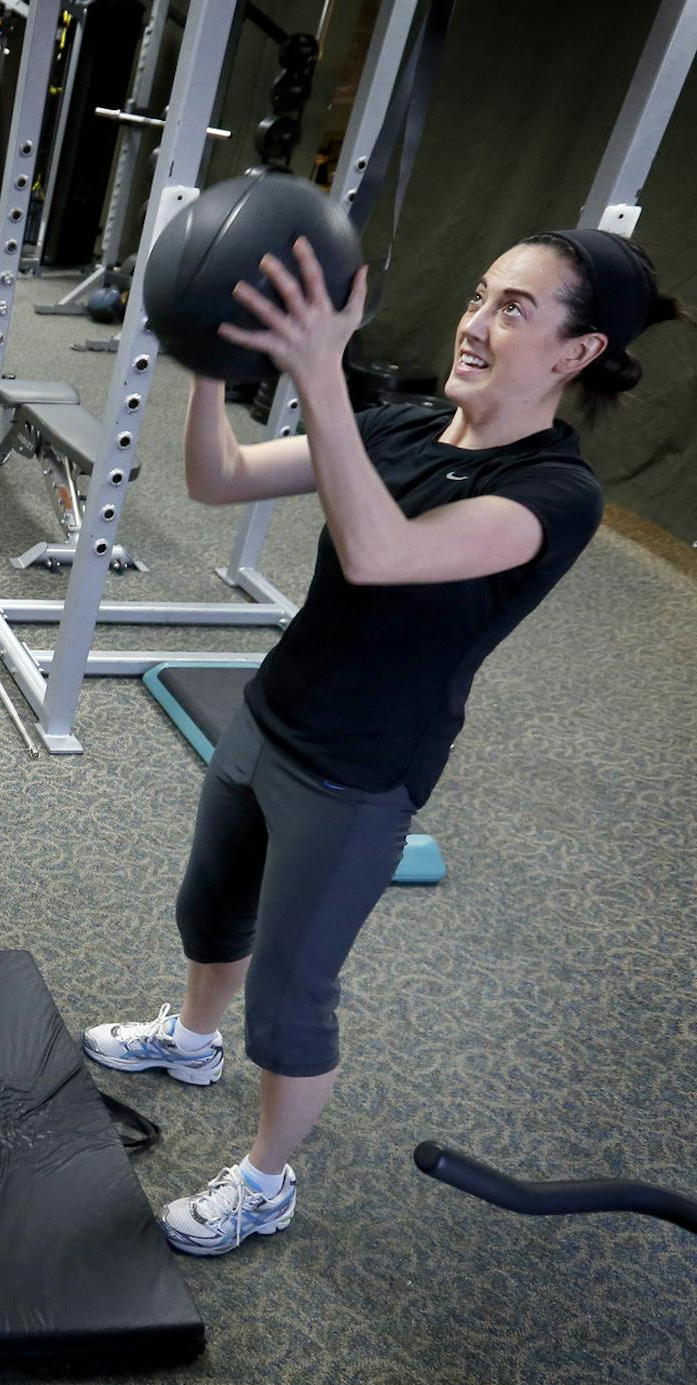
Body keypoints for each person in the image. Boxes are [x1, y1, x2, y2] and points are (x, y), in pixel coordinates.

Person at [83, 229, 688, 1255]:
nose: (475, 322)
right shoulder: (407, 423)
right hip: (272, 713)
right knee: (210, 904)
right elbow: (220, 479)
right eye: (478, 293)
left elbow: (381, 553)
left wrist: (318, 370)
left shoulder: (556, 494)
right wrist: (207, 366)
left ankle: (267, 1181)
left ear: (577, 354)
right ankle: (189, 1042)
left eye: (514, 309)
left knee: (289, 1001)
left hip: (357, 771)